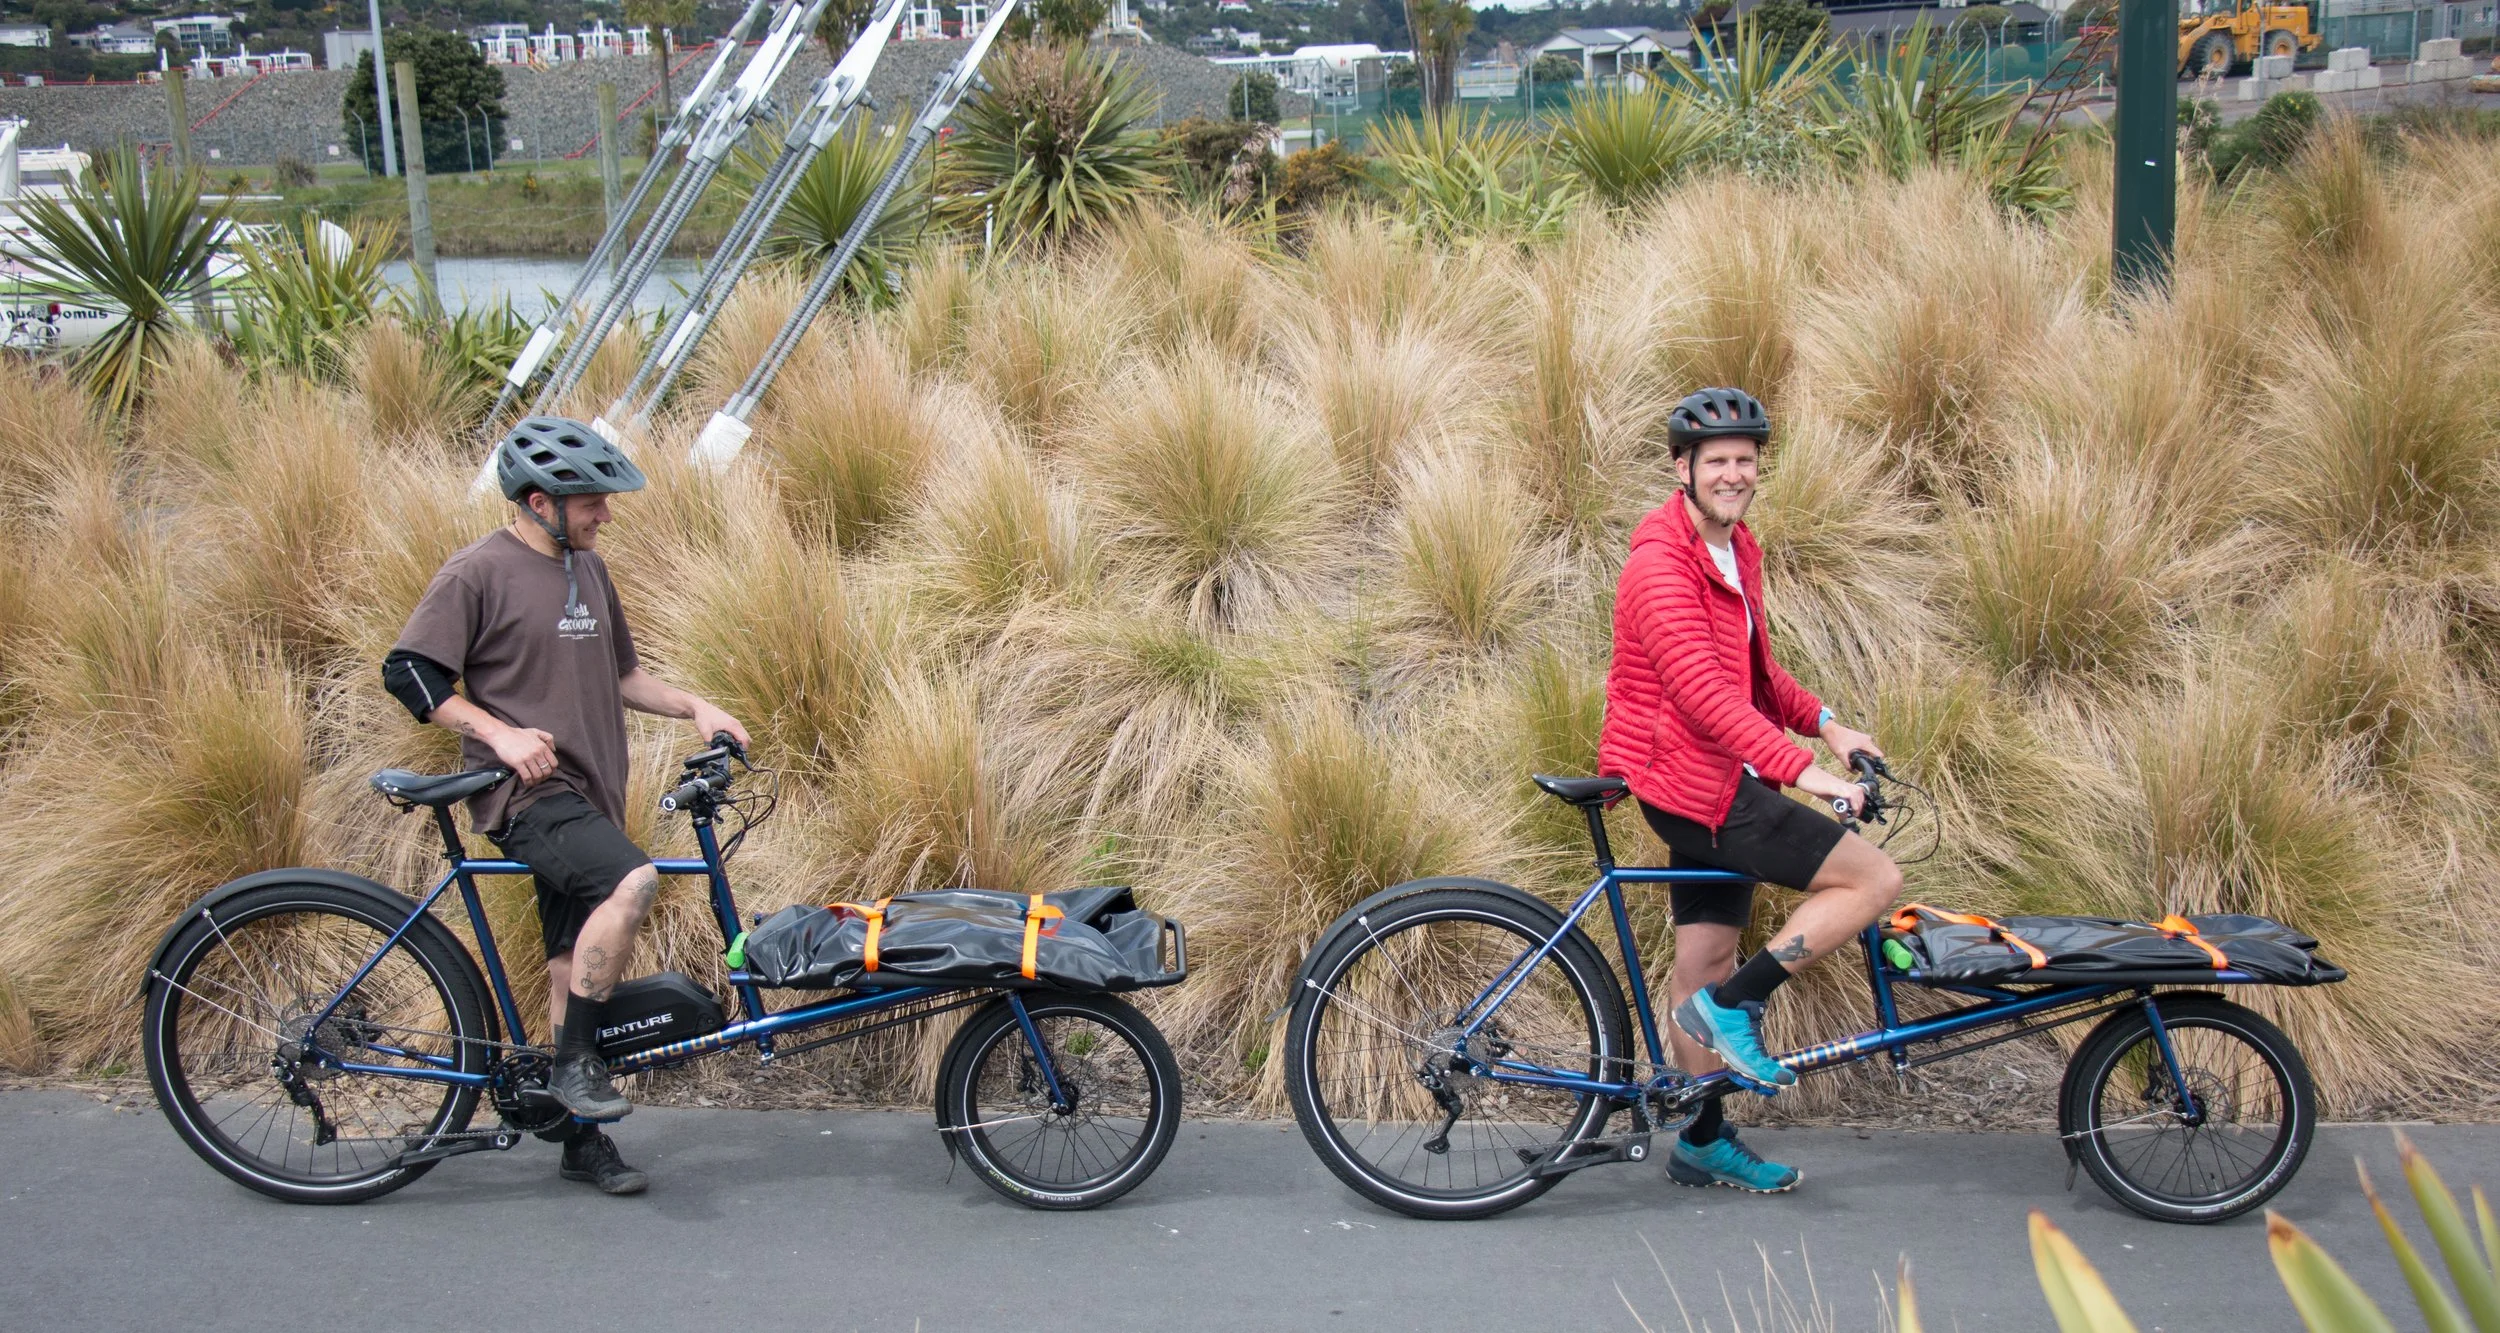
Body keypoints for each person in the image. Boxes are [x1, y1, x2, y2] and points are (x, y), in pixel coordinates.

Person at [380, 416, 750, 1196]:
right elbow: (410, 672)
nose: (605, 515)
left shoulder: (590, 571)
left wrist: (695, 706)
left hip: (588, 795)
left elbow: (623, 677)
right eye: (592, 502)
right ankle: (578, 1065)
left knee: (565, 965)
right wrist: (499, 734)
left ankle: (579, 1142)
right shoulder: (477, 572)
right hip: (524, 795)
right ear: (540, 500)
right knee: (634, 881)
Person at [1598, 387, 1904, 1194]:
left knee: (1703, 962)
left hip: (1707, 778)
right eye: (1718, 462)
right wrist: (1812, 778)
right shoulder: (1660, 564)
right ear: (1683, 469)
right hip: (1694, 785)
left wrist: (1829, 725)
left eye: (1745, 461)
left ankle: (1701, 1138)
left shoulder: (1733, 548)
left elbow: (1757, 675)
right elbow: (1704, 696)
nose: (1734, 475)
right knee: (1873, 878)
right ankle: (1739, 1009)